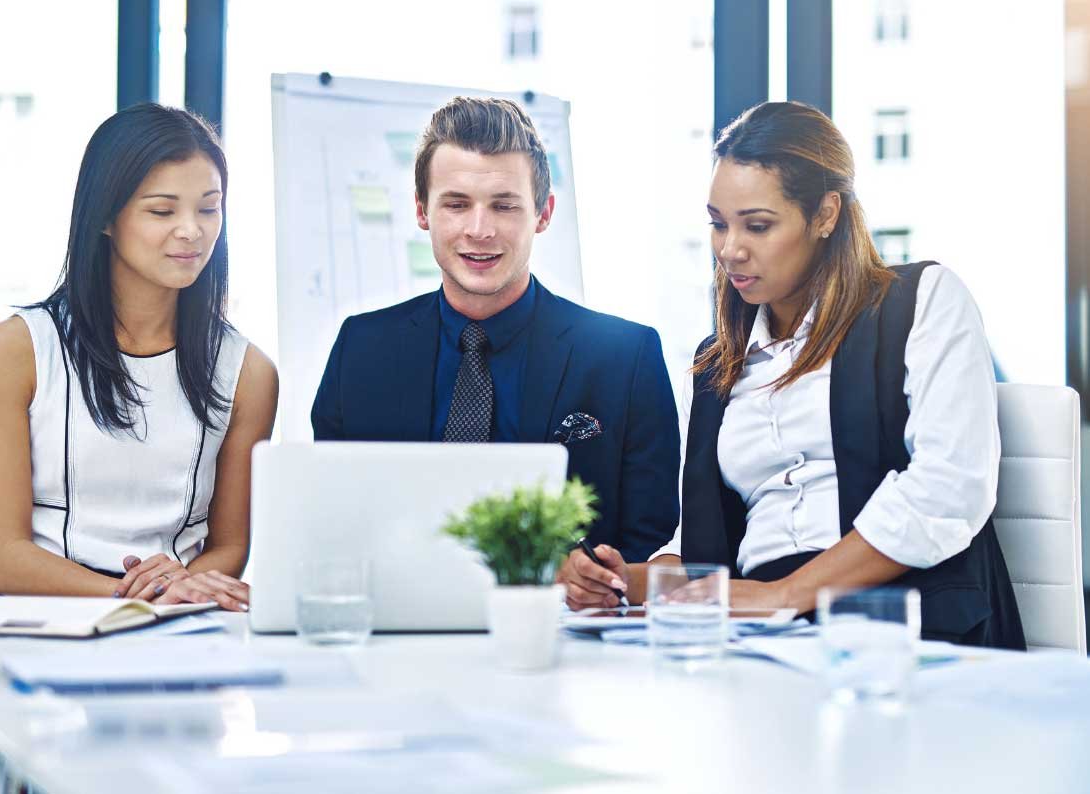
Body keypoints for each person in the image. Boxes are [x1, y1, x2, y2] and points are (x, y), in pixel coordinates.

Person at [561, 101, 1025, 649]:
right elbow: (713, 540)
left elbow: (949, 490)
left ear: (825, 215)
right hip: (759, 634)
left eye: (757, 225)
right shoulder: (719, 364)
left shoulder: (922, 301)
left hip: (906, 624)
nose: (730, 249)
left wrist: (781, 594)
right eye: (718, 224)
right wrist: (624, 582)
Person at [311, 96, 679, 563]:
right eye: (456, 205)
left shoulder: (626, 357)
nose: (479, 230)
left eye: (504, 206)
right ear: (423, 211)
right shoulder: (361, 350)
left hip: (564, 625)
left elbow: (649, 536)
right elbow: (331, 519)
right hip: (397, 623)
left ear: (543, 214)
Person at [0, 103, 278, 611]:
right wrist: (138, 596)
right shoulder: (12, 352)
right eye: (162, 210)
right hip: (31, 625)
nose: (191, 231)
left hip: (176, 627)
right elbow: (3, 556)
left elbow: (230, 547)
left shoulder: (249, 373)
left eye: (208, 208)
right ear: (107, 216)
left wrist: (173, 592)